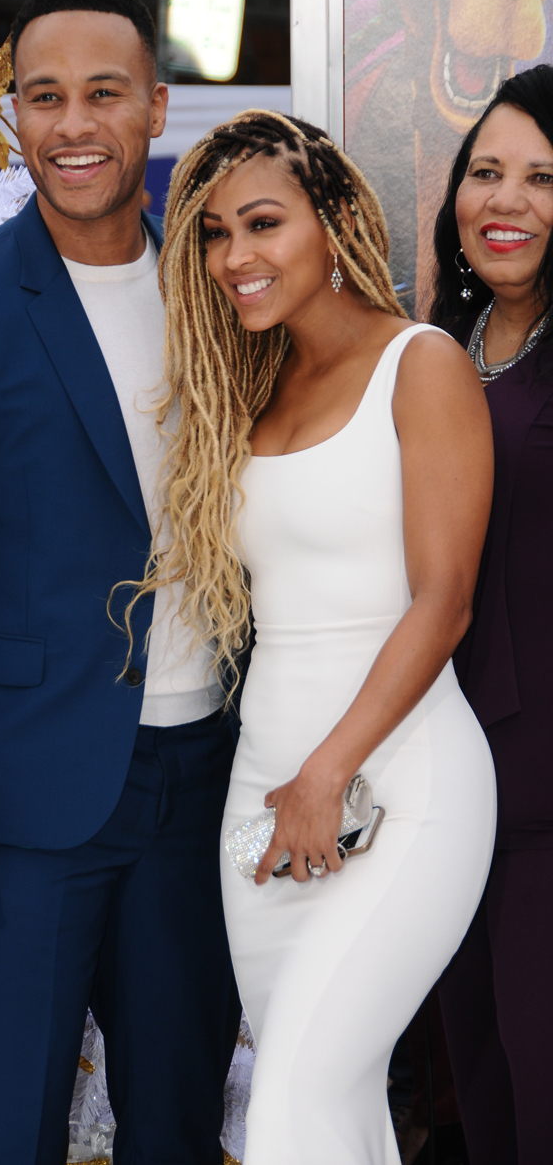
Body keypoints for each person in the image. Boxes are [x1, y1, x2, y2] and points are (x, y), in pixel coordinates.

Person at [0, 0, 240, 1165]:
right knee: (2, 1127)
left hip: (205, 779)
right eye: (43, 96)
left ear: (156, 107)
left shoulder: (219, 294)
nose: (73, 125)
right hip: (18, 804)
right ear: (12, 113)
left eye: (103, 94)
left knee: (174, 1121)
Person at [126, 109, 498, 1164]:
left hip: (399, 783)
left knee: (287, 1099)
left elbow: (443, 599)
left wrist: (327, 770)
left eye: (260, 224)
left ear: (332, 221)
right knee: (328, 1111)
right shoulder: (248, 388)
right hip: (264, 798)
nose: (232, 257)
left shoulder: (419, 364)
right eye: (209, 234)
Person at [430, 63, 553, 1165]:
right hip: (446, 781)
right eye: (484, 172)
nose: (502, 202)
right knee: (480, 1083)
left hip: (547, 794)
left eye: (539, 178)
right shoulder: (439, 349)